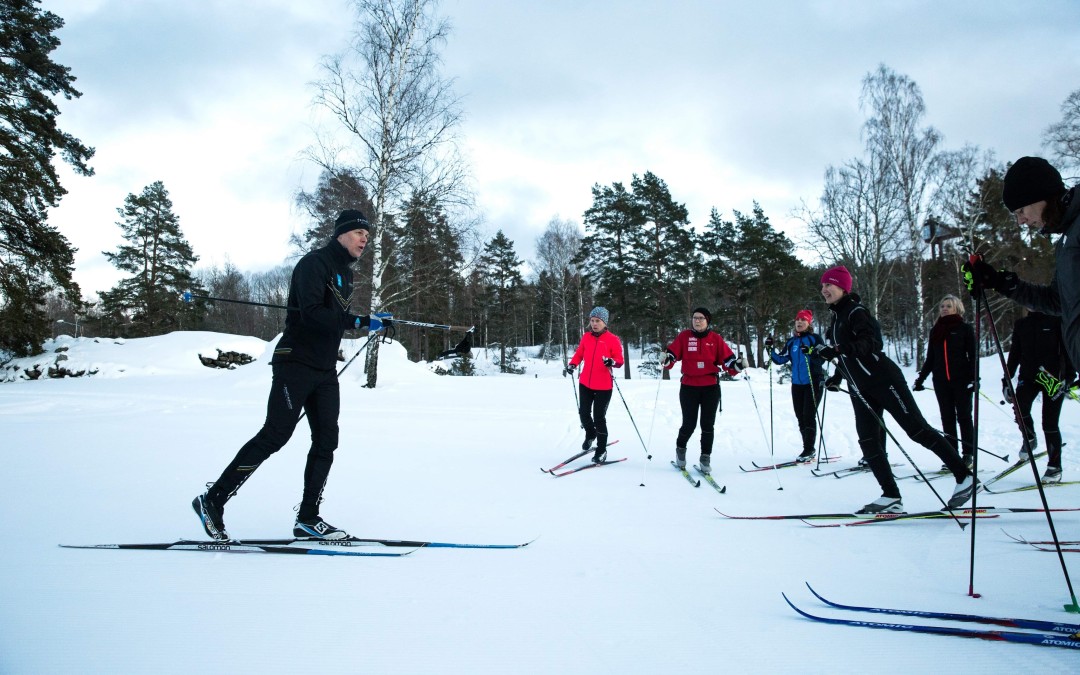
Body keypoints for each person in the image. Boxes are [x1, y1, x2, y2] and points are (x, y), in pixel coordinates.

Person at [192, 209, 392, 541]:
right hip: (295, 363)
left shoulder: (347, 274)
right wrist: (359, 321)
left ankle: (308, 519)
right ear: (342, 233)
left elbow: (335, 322)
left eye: (368, 237)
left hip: (324, 369)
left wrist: (372, 323)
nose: (365, 240)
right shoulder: (314, 264)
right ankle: (213, 500)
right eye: (360, 234)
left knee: (327, 440)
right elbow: (314, 315)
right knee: (276, 435)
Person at [817, 265, 976, 514]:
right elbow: (847, 355)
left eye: (829, 284)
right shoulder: (836, 317)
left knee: (917, 429)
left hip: (883, 379)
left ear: (843, 287)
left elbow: (871, 342)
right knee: (868, 441)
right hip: (860, 385)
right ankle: (890, 496)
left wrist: (839, 350)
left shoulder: (856, 312)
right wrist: (835, 366)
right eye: (823, 285)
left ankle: (964, 477)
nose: (824, 289)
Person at [962, 157, 1080, 370]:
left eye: (1021, 211)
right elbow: (1057, 302)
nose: (1021, 221)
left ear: (1040, 197)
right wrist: (1000, 282)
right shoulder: (1067, 241)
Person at [663, 307, 745, 473]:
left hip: (710, 388)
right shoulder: (685, 336)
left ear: (707, 321)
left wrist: (737, 365)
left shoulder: (715, 339)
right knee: (689, 424)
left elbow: (728, 361)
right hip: (689, 387)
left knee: (707, 425)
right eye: (695, 318)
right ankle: (680, 450)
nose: (697, 321)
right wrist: (666, 359)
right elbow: (672, 355)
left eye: (701, 318)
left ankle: (705, 457)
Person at [1003, 311, 1075, 483]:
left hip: (1053, 379)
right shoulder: (1022, 324)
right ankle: (1029, 438)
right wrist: (1006, 381)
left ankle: (1054, 468)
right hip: (1028, 377)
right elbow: (1014, 354)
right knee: (1020, 407)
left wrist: (1069, 377)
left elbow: (1068, 349)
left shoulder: (1058, 320)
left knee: (1049, 423)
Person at [913, 295, 976, 470]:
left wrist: (973, 379)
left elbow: (973, 357)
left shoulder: (964, 329)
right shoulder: (936, 330)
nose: (945, 309)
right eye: (942, 306)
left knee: (964, 417)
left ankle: (968, 454)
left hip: (961, 381)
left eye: (949, 306)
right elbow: (931, 358)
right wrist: (920, 379)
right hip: (941, 382)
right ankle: (952, 456)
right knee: (947, 419)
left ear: (957, 308)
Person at [565, 306, 624, 464]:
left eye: (598, 321)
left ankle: (601, 450)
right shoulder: (586, 337)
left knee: (599, 417)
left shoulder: (613, 339)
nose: (594, 324)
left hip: (604, 386)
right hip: (585, 383)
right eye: (592, 321)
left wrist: (612, 362)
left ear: (604, 323)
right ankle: (591, 434)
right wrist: (572, 364)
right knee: (583, 413)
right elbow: (579, 353)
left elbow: (619, 360)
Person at [767, 309, 825, 463]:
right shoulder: (791, 342)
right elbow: (781, 359)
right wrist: (770, 349)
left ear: (809, 323)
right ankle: (807, 448)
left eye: (803, 320)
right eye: (797, 320)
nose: (799, 322)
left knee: (808, 415)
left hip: (813, 382)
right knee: (800, 417)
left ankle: (809, 449)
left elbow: (823, 357)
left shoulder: (815, 339)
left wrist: (811, 352)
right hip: (797, 385)